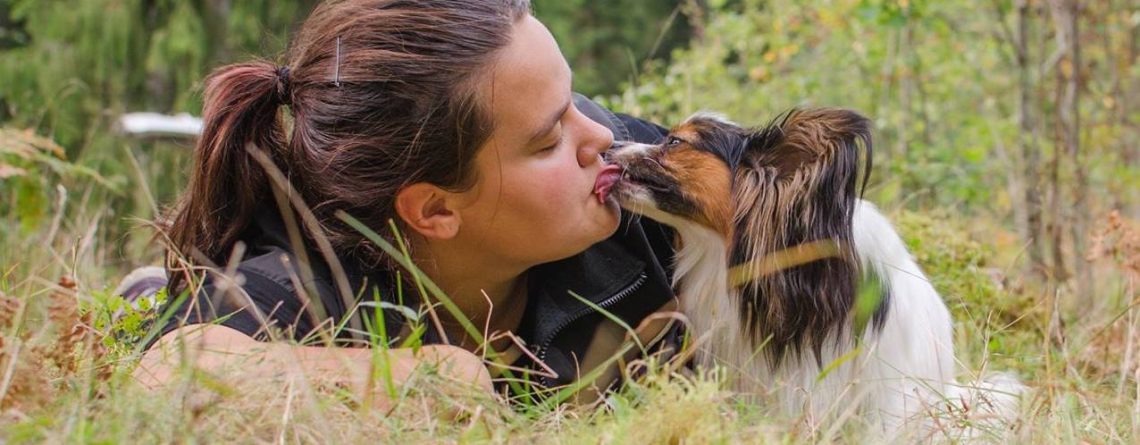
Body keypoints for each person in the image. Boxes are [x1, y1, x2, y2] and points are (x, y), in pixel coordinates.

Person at [132, 0, 680, 408]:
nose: (601, 139)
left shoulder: (629, 179)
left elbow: (762, 186)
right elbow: (168, 379)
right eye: (547, 141)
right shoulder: (309, 268)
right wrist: (439, 374)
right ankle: (143, 291)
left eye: (573, 102)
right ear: (434, 210)